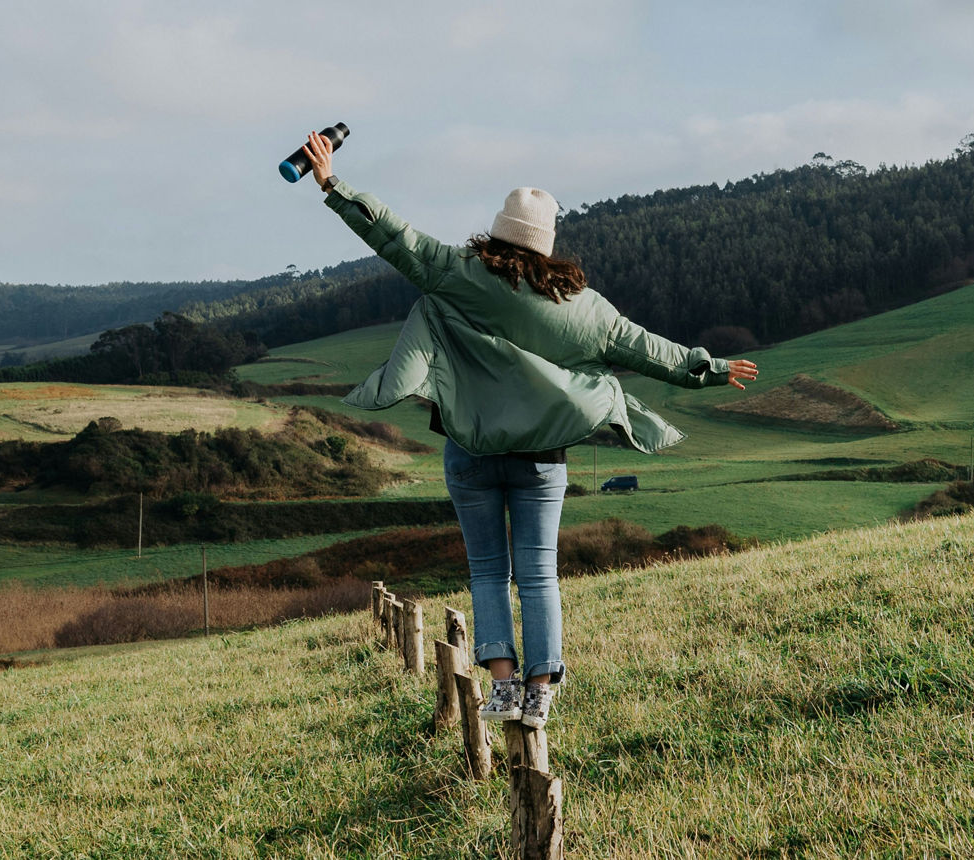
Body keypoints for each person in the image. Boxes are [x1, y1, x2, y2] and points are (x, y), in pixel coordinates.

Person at [301, 131, 758, 729]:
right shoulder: (586, 309)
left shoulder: (457, 274)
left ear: (497, 232)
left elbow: (392, 234)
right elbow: (652, 351)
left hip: (470, 450)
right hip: (542, 459)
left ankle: (502, 687)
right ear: (547, 244)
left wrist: (333, 183)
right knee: (539, 574)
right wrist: (712, 368)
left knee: (488, 571)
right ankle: (540, 692)